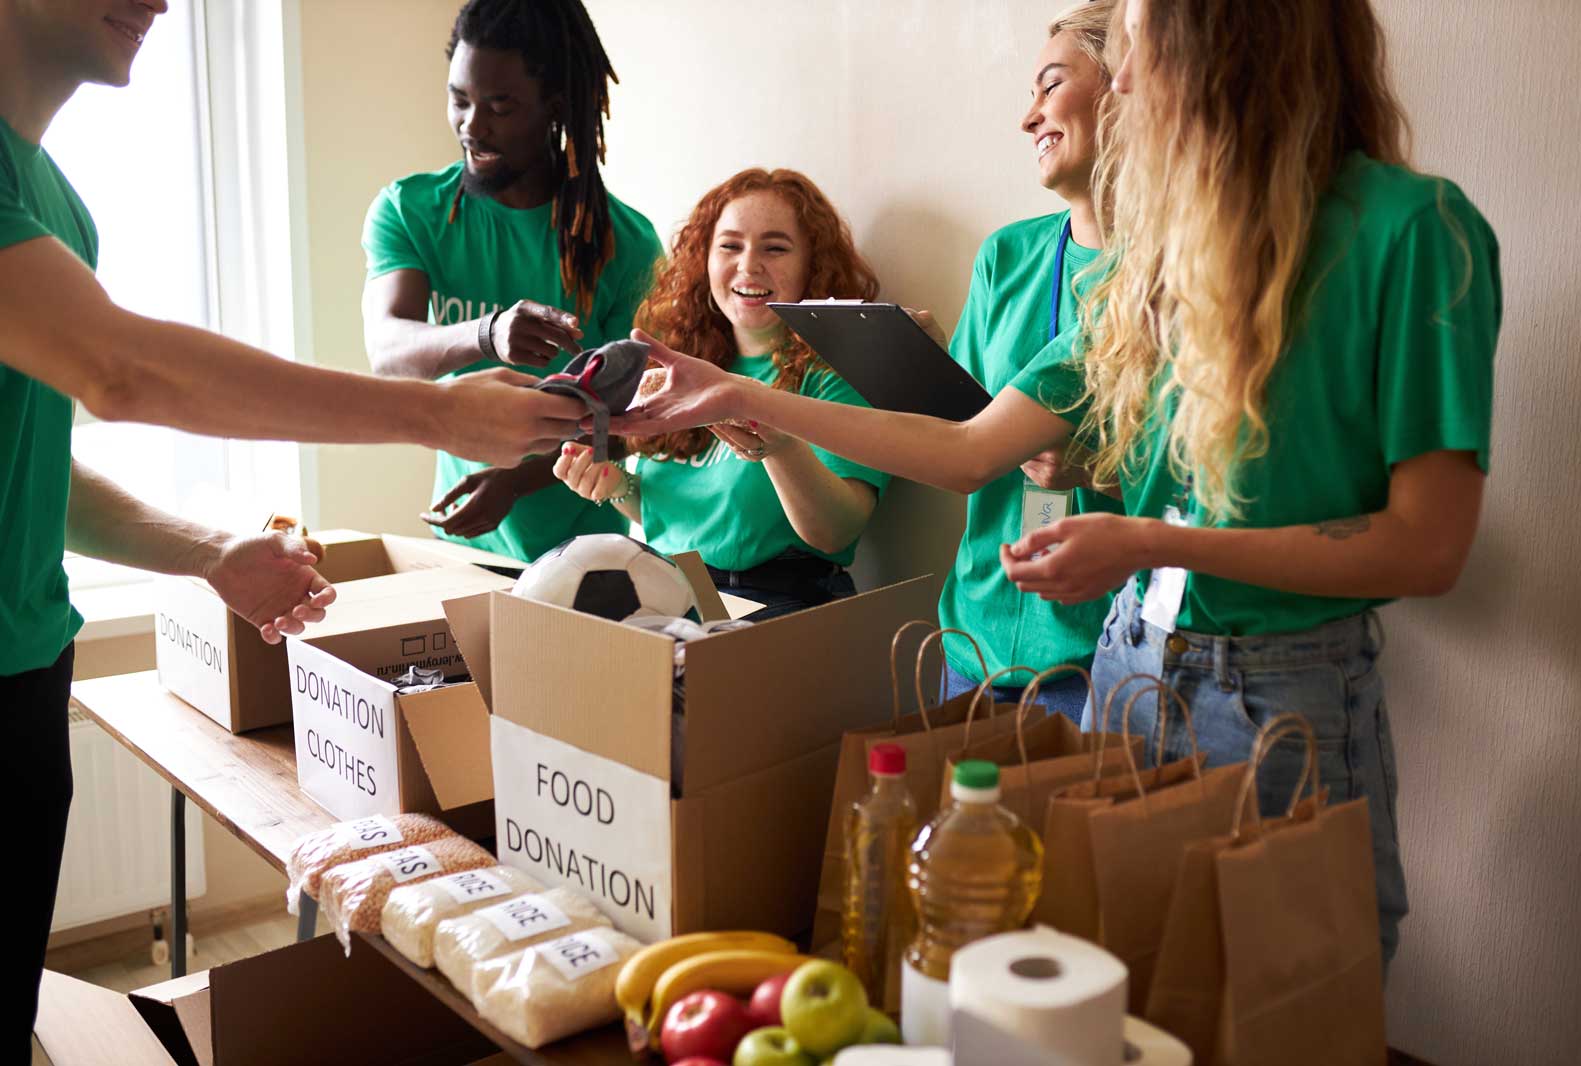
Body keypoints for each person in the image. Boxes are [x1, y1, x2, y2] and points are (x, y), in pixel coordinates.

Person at [0, 0, 584, 1048]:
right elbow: (118, 369)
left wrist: (208, 551)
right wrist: (444, 410)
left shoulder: (51, 202)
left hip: (27, 666)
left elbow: (32, 463)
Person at [1000, 0, 1501, 967]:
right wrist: (737, 398)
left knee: (1287, 999)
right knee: (1125, 986)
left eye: (1144, 49)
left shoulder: (1415, 232)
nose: (1128, 82)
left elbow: (1429, 547)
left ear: (1228, 45)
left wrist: (1152, 542)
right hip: (1129, 661)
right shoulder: (1160, 258)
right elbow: (969, 445)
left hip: (1279, 700)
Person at [611, 5, 1119, 709]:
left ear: (1127, 89)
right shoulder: (1009, 255)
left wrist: (1105, 473)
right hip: (977, 638)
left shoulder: (1166, 277)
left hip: (1111, 651)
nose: (1028, 118)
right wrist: (922, 364)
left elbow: (976, 454)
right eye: (728, 245)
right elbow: (963, 436)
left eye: (1050, 86)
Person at [363, 0, 662, 561]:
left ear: (554, 106)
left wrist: (516, 480)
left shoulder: (628, 244)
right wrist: (487, 332)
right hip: (458, 553)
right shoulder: (411, 210)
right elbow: (386, 348)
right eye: (459, 100)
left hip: (587, 561)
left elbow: (635, 420)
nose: (471, 127)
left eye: (499, 106)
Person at [555, 169, 888, 619]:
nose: (748, 266)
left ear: (814, 264)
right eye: (729, 246)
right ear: (703, 260)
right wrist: (616, 485)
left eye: (775, 248)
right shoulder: (682, 362)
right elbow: (676, 519)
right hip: (672, 592)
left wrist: (778, 444)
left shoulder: (836, 374)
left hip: (784, 604)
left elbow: (836, 535)